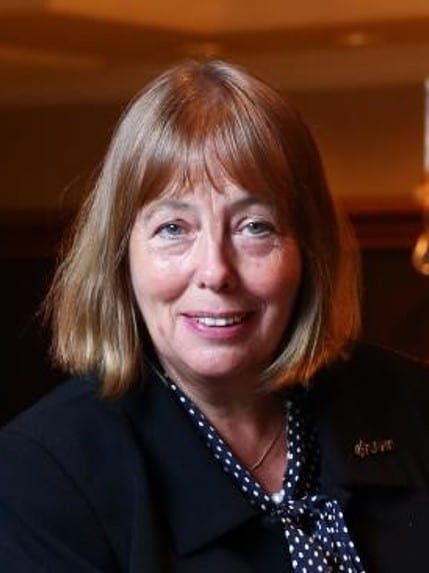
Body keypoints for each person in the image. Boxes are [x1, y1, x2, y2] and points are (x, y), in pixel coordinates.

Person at [0, 59, 428, 573]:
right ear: (121, 255)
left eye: (255, 226)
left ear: (310, 250)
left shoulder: (411, 405)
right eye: (173, 228)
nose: (215, 271)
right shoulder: (45, 470)